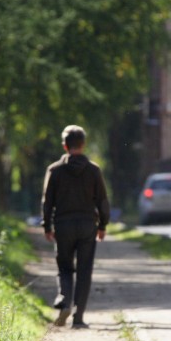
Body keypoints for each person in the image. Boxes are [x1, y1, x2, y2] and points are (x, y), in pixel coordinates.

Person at [41, 125, 110, 328]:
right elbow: (103, 201)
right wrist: (103, 224)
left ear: (65, 145)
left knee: (64, 267)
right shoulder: (94, 170)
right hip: (88, 226)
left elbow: (47, 201)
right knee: (84, 270)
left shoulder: (54, 170)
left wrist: (47, 226)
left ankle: (64, 300)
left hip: (63, 226)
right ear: (83, 144)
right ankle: (78, 318)